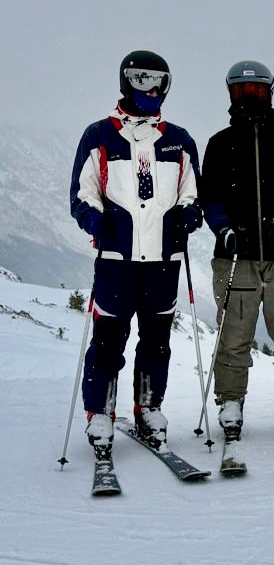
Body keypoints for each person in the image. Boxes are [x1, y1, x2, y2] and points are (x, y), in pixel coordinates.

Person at [68, 50, 202, 453]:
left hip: (163, 260)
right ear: (126, 81)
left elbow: (192, 193)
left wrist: (189, 214)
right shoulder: (100, 135)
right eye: (143, 80)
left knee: (156, 341)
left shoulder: (179, 140)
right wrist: (94, 220)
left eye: (160, 81)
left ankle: (148, 407)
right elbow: (83, 194)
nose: (152, 89)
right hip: (117, 260)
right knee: (108, 340)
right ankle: (100, 412)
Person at [200, 60, 274, 441]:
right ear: (231, 93)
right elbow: (209, 195)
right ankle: (230, 401)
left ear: (269, 92)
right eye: (242, 91)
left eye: (257, 90)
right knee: (234, 335)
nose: (250, 97)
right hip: (236, 255)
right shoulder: (219, 144)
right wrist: (222, 227)